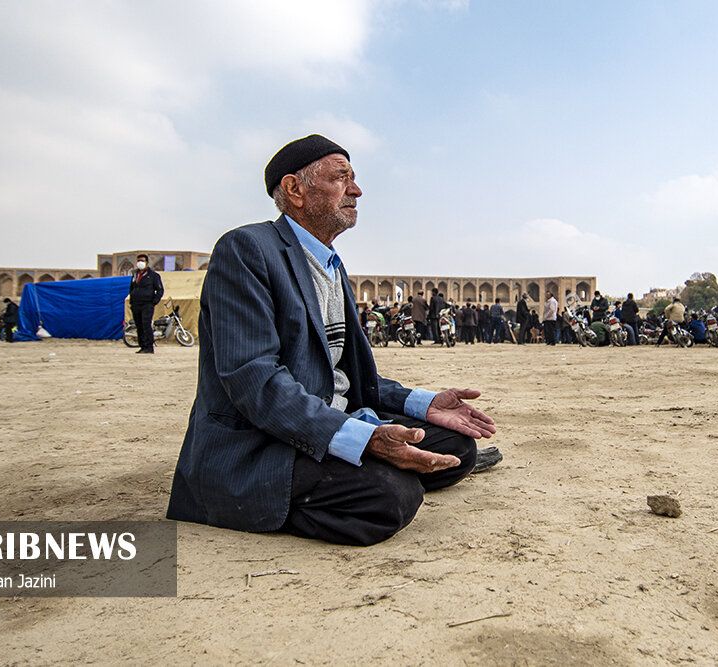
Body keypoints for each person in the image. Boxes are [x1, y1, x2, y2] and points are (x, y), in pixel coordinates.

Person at [166, 134, 500, 546]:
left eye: (353, 179)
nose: (356, 190)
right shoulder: (247, 249)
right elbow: (254, 381)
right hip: (267, 439)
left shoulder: (329, 264)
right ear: (294, 190)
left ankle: (366, 462)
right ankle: (308, 486)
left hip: (333, 416)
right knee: (392, 495)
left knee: (458, 446)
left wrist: (424, 403)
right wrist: (364, 438)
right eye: (341, 178)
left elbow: (347, 375)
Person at [128, 254, 165, 354]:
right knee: (139, 325)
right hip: (136, 304)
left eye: (142, 261)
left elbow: (160, 290)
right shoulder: (135, 275)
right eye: (138, 260)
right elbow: (132, 288)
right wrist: (131, 301)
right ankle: (143, 346)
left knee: (146, 325)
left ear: (147, 263)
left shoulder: (153, 276)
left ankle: (149, 347)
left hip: (147, 304)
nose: (140, 262)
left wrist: (154, 301)